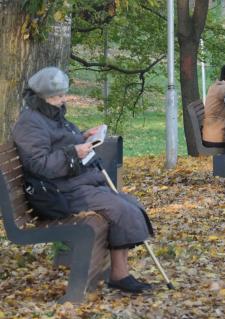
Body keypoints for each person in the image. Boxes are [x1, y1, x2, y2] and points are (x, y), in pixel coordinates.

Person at [12, 67, 154, 294]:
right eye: (58, 96)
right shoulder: (30, 123)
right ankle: (120, 275)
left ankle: (118, 271)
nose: (63, 99)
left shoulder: (49, 115)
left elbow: (60, 142)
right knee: (120, 209)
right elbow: (40, 165)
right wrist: (73, 153)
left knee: (129, 203)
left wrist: (84, 137)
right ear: (43, 97)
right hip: (58, 192)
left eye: (63, 94)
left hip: (74, 183)